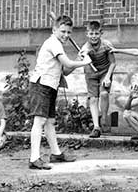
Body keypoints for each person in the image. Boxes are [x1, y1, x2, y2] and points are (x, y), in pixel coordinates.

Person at [28, 15, 92, 170]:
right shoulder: (52, 43)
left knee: (49, 122)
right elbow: (67, 63)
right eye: (63, 31)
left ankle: (56, 153)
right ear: (54, 29)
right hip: (41, 85)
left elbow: (67, 70)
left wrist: (78, 58)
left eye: (69, 32)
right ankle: (34, 158)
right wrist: (85, 62)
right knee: (40, 121)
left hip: (51, 86)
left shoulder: (58, 45)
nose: (66, 35)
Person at [80, 21, 116, 138]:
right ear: (87, 34)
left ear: (101, 33)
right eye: (91, 34)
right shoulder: (85, 47)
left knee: (104, 94)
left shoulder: (106, 45)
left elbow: (113, 63)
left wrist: (107, 76)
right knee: (93, 99)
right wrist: (83, 55)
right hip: (90, 72)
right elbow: (81, 60)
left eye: (96, 34)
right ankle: (96, 127)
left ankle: (104, 117)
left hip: (105, 71)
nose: (94, 36)